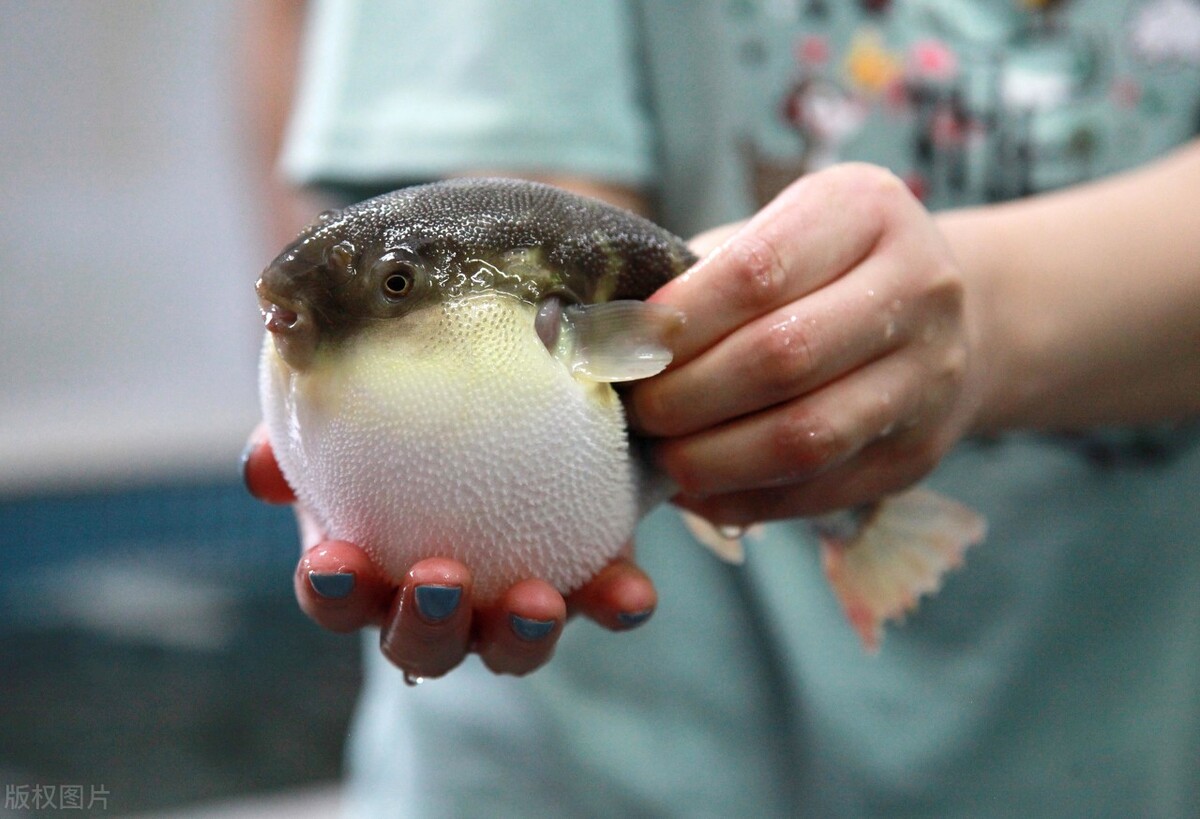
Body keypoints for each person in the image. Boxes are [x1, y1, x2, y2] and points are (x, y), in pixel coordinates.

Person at [243, 1, 1200, 815]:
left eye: (402, 285)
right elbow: (515, 179)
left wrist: (981, 319)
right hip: (581, 768)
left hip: (1103, 725)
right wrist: (405, 458)